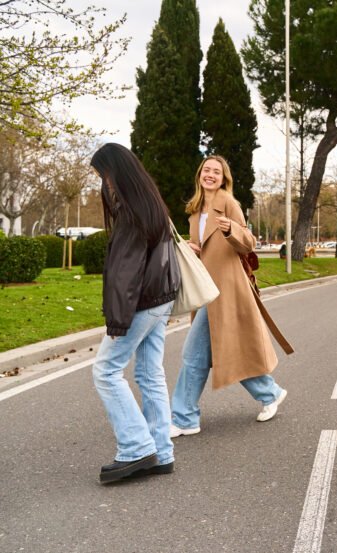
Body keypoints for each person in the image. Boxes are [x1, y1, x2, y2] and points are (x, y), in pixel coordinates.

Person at [170, 155, 288, 437]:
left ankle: (184, 417)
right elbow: (201, 247)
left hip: (226, 289)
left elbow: (248, 243)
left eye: (216, 172)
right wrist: (192, 248)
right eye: (206, 170)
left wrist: (232, 228)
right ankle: (269, 393)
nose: (210, 175)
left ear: (224, 179)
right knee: (221, 352)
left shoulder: (229, 204)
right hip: (206, 289)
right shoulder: (196, 210)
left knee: (195, 354)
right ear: (200, 174)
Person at [90, 143, 181, 483]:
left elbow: (124, 275)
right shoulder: (153, 207)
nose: (104, 184)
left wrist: (116, 321)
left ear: (116, 173)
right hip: (161, 299)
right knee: (149, 373)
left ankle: (136, 448)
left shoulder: (130, 215)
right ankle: (161, 451)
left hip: (142, 303)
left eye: (103, 175)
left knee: (106, 371)